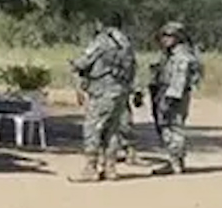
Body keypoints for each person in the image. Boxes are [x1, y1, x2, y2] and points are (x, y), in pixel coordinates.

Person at [68, 10, 137, 183]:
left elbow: (84, 61)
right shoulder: (126, 43)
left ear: (102, 23)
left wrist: (75, 65)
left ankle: (90, 168)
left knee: (93, 128)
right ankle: (110, 168)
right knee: (112, 130)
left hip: (102, 91)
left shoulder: (102, 41)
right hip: (121, 91)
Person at [144, 20, 203, 175]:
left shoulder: (182, 56)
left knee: (173, 127)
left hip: (174, 95)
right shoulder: (167, 55)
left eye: (169, 36)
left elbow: (180, 79)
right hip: (163, 92)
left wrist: (170, 98)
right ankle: (175, 160)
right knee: (165, 126)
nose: (165, 39)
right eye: (163, 35)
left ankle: (176, 161)